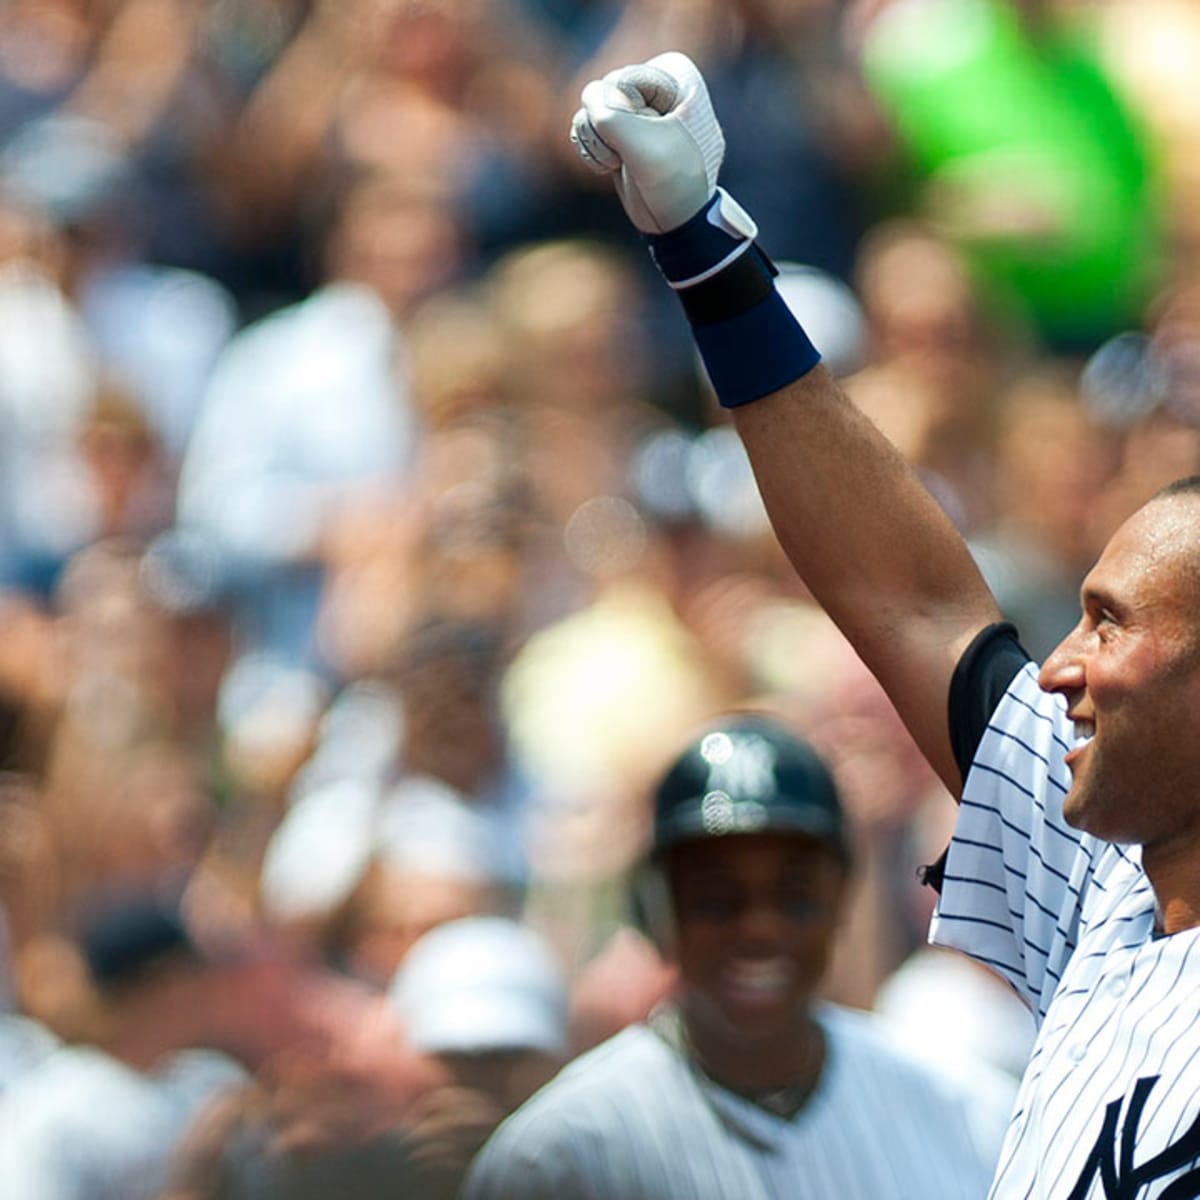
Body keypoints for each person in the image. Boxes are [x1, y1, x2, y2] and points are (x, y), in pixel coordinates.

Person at [569, 51, 1200, 1197]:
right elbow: (908, 598)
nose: (1060, 666)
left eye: (1107, 626)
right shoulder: (1103, 891)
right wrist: (708, 253)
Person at [464, 712, 1013, 1198]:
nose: (759, 928)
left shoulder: (966, 1113)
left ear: (839, 897)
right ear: (658, 907)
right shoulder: (559, 1156)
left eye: (793, 895)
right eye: (718, 899)